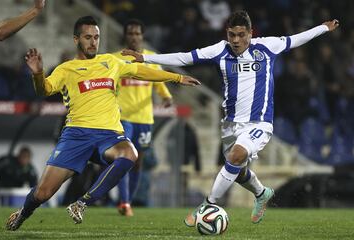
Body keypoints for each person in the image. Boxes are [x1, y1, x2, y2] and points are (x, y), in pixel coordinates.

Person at [122, 10, 339, 225]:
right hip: (230, 124)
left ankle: (207, 205)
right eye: (232, 34)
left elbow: (296, 39)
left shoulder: (266, 46)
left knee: (236, 156)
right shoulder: (220, 50)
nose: (236, 40)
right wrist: (145, 58)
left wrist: (323, 28)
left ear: (250, 33)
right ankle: (262, 193)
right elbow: (186, 57)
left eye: (241, 35)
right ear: (227, 33)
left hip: (259, 123)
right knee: (238, 169)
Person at [5, 15, 200, 231]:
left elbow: (141, 71)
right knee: (43, 192)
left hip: (109, 134)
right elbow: (44, 90)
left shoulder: (111, 62)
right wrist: (38, 74)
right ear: (75, 39)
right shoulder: (66, 69)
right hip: (76, 135)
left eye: (96, 37)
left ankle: (82, 203)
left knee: (130, 154)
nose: (93, 42)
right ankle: (24, 212)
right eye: (88, 37)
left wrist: (178, 78)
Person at [112, 19, 173, 216]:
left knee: (138, 161)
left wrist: (166, 96)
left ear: (142, 36)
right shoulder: (115, 59)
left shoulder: (151, 58)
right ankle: (123, 202)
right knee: (124, 156)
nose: (134, 37)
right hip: (123, 116)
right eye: (130, 33)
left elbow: (158, 81)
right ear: (125, 36)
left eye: (137, 33)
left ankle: (127, 200)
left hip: (145, 118)